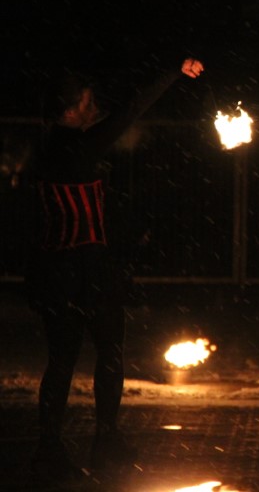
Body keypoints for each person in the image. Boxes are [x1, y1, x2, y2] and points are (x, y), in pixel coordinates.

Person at [26, 57, 205, 483]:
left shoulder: (50, 146)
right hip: (82, 269)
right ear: (72, 107)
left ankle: (59, 444)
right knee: (106, 354)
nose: (94, 105)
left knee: (64, 359)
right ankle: (94, 440)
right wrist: (172, 73)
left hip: (60, 268)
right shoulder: (77, 146)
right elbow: (131, 110)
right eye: (87, 100)